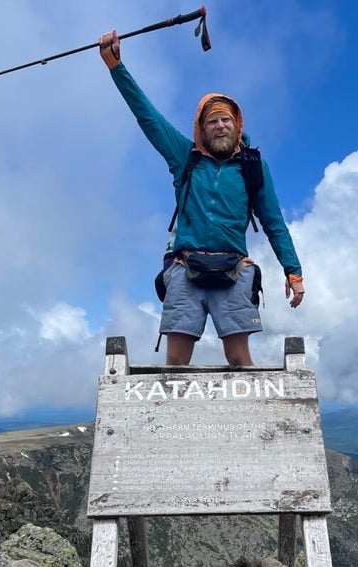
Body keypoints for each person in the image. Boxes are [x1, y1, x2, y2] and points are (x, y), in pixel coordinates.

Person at [98, 30, 305, 366]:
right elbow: (149, 117)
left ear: (237, 126)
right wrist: (116, 67)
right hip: (185, 267)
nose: (220, 126)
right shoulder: (185, 158)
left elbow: (274, 223)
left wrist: (293, 272)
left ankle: (248, 420)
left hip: (235, 269)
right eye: (212, 121)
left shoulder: (253, 168)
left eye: (226, 119)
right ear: (201, 128)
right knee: (176, 363)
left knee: (241, 360)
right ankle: (172, 421)